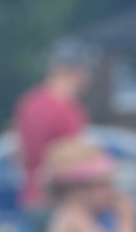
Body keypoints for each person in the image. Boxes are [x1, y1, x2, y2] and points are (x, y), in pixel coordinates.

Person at [13, 39, 95, 212]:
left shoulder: (29, 102)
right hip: (58, 199)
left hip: (30, 196)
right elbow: (72, 161)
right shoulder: (69, 110)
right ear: (73, 71)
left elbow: (19, 156)